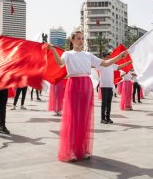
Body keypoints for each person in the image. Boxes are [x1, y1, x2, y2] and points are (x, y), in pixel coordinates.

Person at [48, 30, 127, 162]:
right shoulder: (68, 54)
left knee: (85, 117)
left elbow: (106, 63)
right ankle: (71, 150)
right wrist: (53, 51)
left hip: (86, 84)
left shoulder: (88, 55)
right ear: (72, 40)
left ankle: (83, 149)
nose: (81, 41)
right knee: (73, 117)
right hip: (74, 84)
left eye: (82, 38)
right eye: (78, 38)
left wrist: (120, 56)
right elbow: (60, 63)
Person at [97, 52, 131, 124]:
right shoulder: (100, 64)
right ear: (103, 57)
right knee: (104, 103)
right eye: (107, 57)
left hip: (110, 85)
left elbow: (119, 67)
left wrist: (128, 63)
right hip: (104, 86)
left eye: (109, 57)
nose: (109, 58)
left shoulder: (112, 65)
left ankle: (108, 117)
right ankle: (103, 118)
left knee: (109, 103)